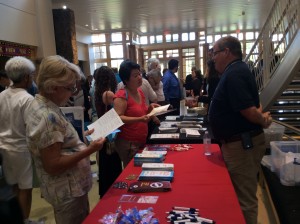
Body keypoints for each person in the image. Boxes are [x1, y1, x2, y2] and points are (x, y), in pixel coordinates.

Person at [26, 55, 106, 224]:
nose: (73, 92)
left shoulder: (43, 104)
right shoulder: (47, 116)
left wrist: (81, 136)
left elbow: (58, 142)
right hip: (68, 190)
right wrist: (90, 150)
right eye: (70, 88)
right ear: (53, 87)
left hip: (68, 187)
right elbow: (53, 165)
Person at [208, 36, 272, 224]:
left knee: (244, 199)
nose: (213, 58)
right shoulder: (236, 71)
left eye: (215, 53)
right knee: (240, 195)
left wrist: (263, 120)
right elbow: (255, 103)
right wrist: (261, 117)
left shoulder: (234, 72)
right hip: (239, 143)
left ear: (227, 52)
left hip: (242, 146)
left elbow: (250, 110)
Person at [0, 56, 37, 224]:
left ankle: (17, 218)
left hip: (4, 147)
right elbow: (32, 128)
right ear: (25, 77)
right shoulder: (26, 98)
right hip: (21, 148)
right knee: (26, 188)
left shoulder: (2, 95)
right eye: (31, 74)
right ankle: (24, 220)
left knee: (14, 186)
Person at [114, 59, 160, 167]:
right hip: (128, 143)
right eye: (135, 76)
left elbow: (143, 111)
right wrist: (139, 119)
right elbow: (118, 118)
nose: (140, 77)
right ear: (126, 79)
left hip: (141, 140)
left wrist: (150, 109)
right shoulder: (122, 95)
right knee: (132, 172)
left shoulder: (139, 91)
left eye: (139, 74)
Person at [93, 66, 122, 198]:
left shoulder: (97, 92)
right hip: (110, 131)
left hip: (102, 128)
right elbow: (120, 109)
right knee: (113, 164)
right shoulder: (108, 94)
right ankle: (113, 192)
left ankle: (104, 191)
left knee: (104, 164)